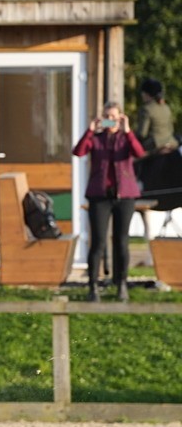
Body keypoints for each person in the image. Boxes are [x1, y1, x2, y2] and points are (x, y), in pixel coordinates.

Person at [73, 102, 146, 301]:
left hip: (125, 196)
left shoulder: (125, 140)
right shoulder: (96, 139)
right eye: (107, 116)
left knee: (122, 241)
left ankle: (121, 284)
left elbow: (139, 153)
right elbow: (78, 152)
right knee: (98, 242)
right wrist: (90, 130)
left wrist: (128, 130)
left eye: (114, 117)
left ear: (121, 118)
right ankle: (93, 287)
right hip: (100, 196)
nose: (110, 121)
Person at [135, 77, 176, 187]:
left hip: (155, 146)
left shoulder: (146, 109)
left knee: (132, 158)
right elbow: (171, 128)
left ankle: (138, 184)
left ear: (147, 94)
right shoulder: (166, 107)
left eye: (143, 93)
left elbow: (142, 133)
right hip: (171, 143)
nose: (142, 95)